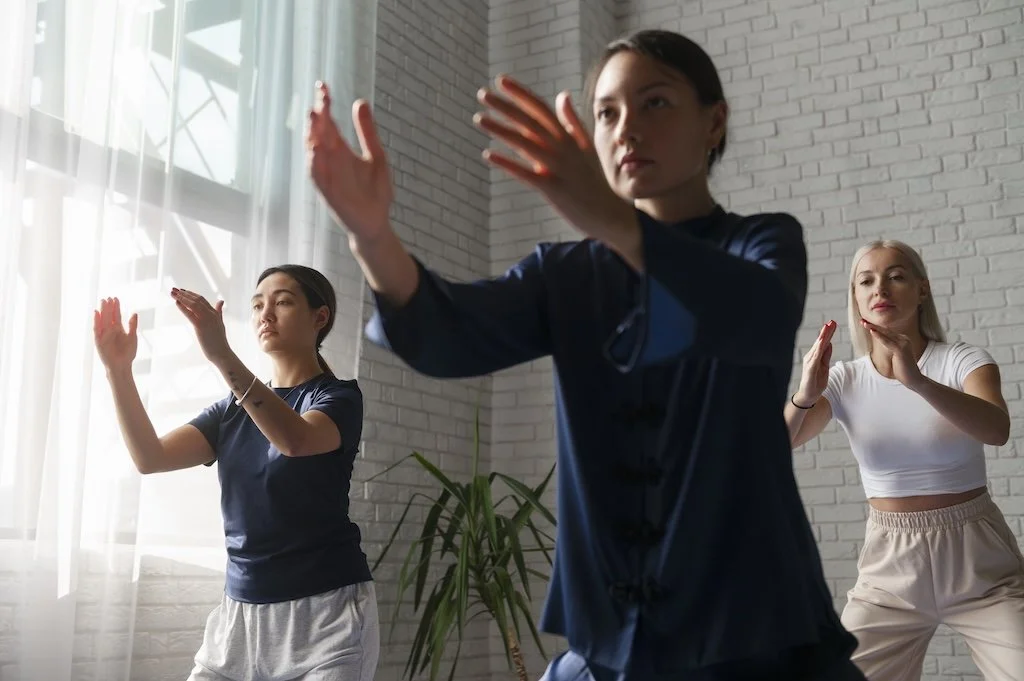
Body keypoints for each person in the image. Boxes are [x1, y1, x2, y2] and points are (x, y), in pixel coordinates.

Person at [307, 28, 864, 681]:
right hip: (612, 641)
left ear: (714, 122)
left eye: (653, 103)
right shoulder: (564, 272)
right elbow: (444, 332)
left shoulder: (762, 242)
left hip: (753, 631)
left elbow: (754, 315)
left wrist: (610, 218)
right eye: (606, 112)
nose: (626, 129)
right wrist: (372, 235)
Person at [92, 265, 379, 681]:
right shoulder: (231, 409)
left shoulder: (338, 397)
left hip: (325, 614)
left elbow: (294, 441)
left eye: (282, 301)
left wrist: (222, 354)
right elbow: (149, 457)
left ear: (320, 317)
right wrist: (118, 371)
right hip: (240, 615)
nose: (266, 314)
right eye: (258, 304)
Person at [784, 239, 1024, 681]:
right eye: (867, 281)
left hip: (978, 560)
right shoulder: (843, 379)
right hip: (891, 567)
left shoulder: (963, 360)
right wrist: (805, 394)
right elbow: (777, 448)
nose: (881, 289)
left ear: (922, 289)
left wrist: (916, 381)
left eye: (896, 276)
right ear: (856, 297)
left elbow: (997, 430)